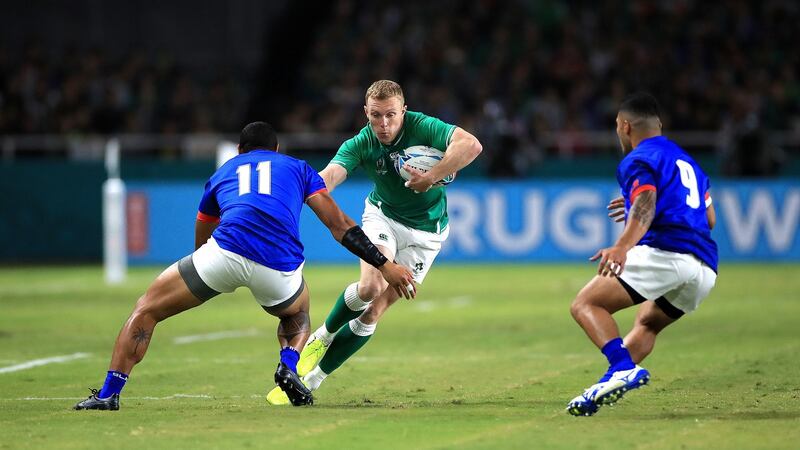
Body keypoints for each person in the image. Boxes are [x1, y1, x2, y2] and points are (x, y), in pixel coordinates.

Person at [74, 121, 415, 410]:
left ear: (239, 150)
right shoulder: (298, 169)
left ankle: (108, 395)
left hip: (223, 254)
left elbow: (203, 231)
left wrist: (204, 275)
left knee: (145, 310)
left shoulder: (223, 172)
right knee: (297, 317)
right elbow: (340, 225)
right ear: (277, 149)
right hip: (278, 268)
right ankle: (288, 366)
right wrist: (384, 265)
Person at [267, 80, 482, 404]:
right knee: (370, 287)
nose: (383, 124)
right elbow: (330, 176)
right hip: (384, 218)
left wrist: (432, 174)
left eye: (391, 116)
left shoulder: (423, 126)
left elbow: (471, 146)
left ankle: (313, 379)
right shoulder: (361, 143)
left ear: (403, 112)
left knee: (375, 311)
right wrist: (292, 197)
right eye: (376, 116)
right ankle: (322, 336)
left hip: (428, 235)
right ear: (365, 113)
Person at [566, 93, 718, 416]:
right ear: (659, 125)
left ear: (624, 126)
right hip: (704, 267)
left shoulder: (638, 158)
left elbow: (646, 201)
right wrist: (652, 205)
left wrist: (622, 246)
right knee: (647, 323)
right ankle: (608, 383)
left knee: (585, 304)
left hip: (668, 251)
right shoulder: (687, 160)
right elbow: (709, 219)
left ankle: (622, 368)